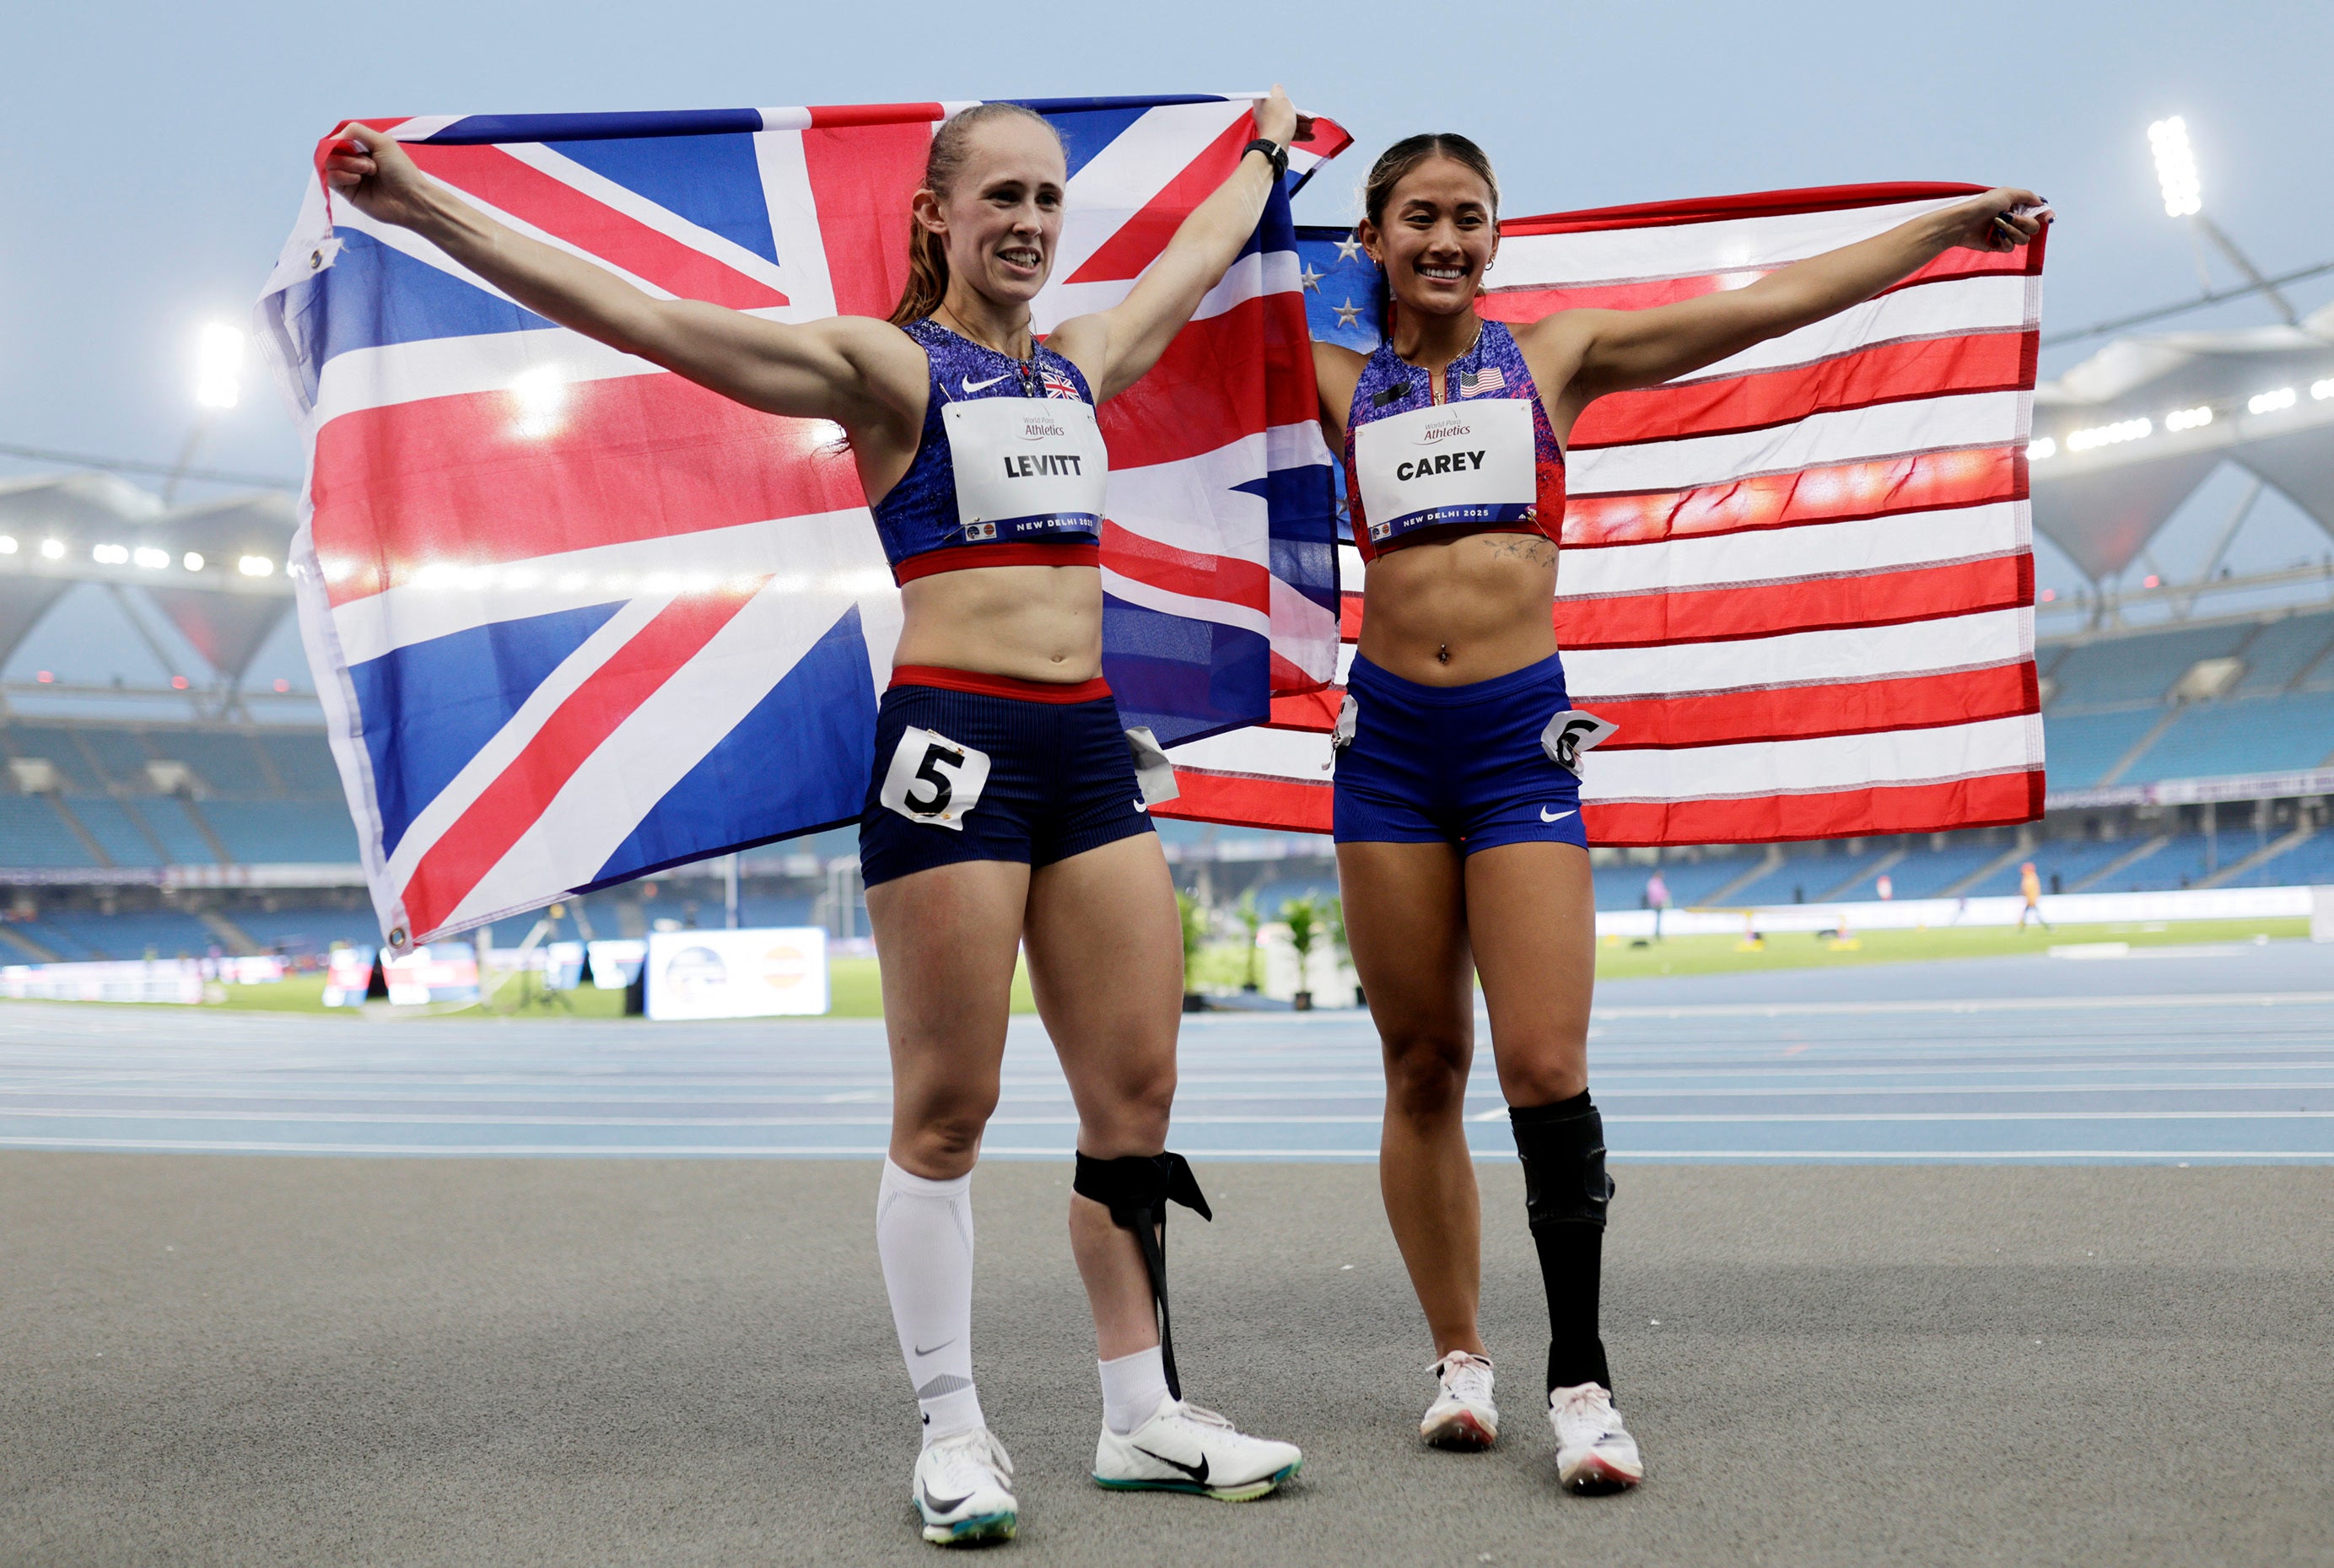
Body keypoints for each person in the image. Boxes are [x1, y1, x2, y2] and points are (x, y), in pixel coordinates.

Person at [325, 91, 1308, 1547]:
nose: (1031, 220)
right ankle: (954, 1429)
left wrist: (1266, 164)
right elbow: (652, 317)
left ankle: (1138, 1409)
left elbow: (1193, 262)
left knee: (1136, 1097)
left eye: (1048, 198)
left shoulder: (1083, 362)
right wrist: (426, 207)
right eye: (1002, 198)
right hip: (954, 749)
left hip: (1088, 751)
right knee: (947, 1108)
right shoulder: (883, 366)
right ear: (936, 215)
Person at [1313, 132, 2048, 1492]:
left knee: (1543, 1061)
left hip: (1513, 743)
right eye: (1418, 218)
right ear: (1369, 236)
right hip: (1386, 751)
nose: (1445, 241)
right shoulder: (1331, 382)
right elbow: (1162, 323)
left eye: (1468, 219)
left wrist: (1940, 231)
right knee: (1421, 1062)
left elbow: (1761, 305)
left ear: (1492, 239)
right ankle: (1457, 1358)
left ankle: (1580, 1378)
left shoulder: (1553, 357)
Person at [2019, 860, 2051, 929]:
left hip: (2031, 900)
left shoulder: (2030, 878)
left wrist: (2031, 900)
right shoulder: (2030, 877)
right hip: (2031, 900)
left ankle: (2048, 927)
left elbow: (2028, 890)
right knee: (2028, 915)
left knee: (2034, 915)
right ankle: (2022, 928)